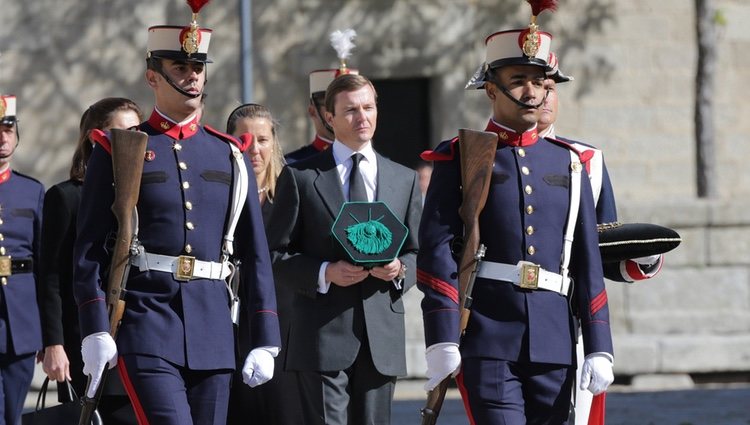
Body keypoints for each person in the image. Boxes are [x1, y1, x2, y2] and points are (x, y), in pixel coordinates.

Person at [72, 5, 280, 424]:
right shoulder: (120, 149)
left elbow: (255, 254)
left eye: (198, 66)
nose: (192, 75)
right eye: (180, 66)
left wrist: (265, 336)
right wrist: (95, 325)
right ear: (153, 76)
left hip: (214, 327)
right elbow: (88, 250)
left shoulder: (227, 152)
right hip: (146, 322)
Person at [417, 9, 615, 424]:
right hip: (488, 334)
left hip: (556, 338)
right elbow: (436, 251)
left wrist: (599, 343)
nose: (531, 92)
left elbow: (588, 259)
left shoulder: (571, 164)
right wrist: (442, 334)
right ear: (491, 90)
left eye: (540, 82)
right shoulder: (460, 155)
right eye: (517, 81)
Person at [266, 73, 422, 425]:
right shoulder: (301, 176)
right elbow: (275, 253)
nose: (362, 117)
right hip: (321, 335)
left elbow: (419, 251)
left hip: (381, 337)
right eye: (350, 110)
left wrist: (400, 270)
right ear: (329, 118)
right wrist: (324, 273)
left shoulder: (404, 178)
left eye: (368, 107)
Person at [539, 53, 663, 425]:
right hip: (495, 323)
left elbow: (603, 247)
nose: (542, 97)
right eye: (530, 86)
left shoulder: (586, 159)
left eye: (549, 88)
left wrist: (642, 256)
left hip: (567, 320)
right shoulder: (476, 155)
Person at [37, 97, 142, 424]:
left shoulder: (149, 195)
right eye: (121, 131)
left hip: (140, 334)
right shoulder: (67, 196)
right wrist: (53, 343)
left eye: (137, 131)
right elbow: (51, 275)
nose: (131, 139)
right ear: (95, 138)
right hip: (85, 335)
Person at [225, 103, 304, 425]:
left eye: (262, 139)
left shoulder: (293, 190)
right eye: (245, 139)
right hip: (228, 324)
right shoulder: (221, 190)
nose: (254, 149)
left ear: (274, 143)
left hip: (284, 327)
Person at [0, 94, 44, 425]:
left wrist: (49, 335)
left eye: (8, 129)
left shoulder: (32, 190)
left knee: (15, 415)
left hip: (21, 319)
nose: (3, 137)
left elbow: (44, 264)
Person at [285, 29, 359, 164]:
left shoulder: (378, 164)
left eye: (350, 107)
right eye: (332, 104)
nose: (343, 112)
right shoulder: (292, 165)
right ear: (313, 111)